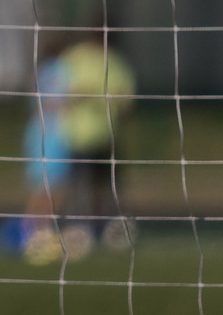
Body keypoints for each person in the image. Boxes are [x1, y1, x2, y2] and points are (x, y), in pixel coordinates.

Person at [17, 31, 136, 266]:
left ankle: (37, 234)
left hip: (52, 134)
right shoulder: (56, 71)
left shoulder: (51, 71)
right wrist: (84, 98)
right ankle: (32, 235)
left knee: (54, 188)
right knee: (50, 188)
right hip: (50, 135)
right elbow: (55, 102)